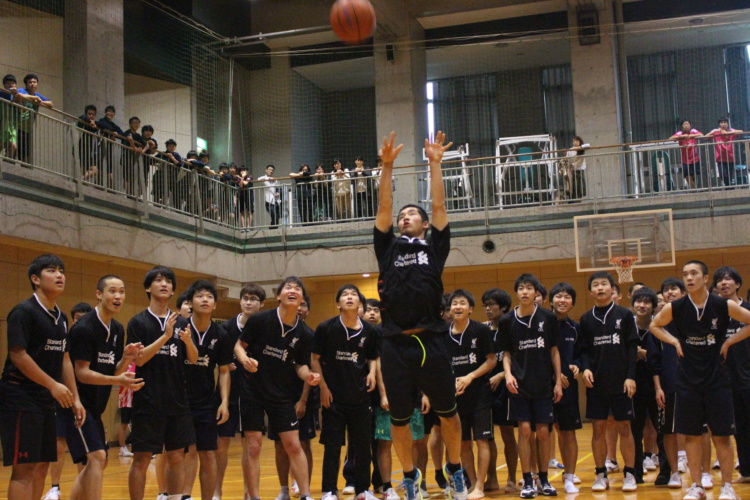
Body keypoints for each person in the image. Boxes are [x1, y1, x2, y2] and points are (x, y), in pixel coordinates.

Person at [374, 130, 468, 500]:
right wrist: (387, 168)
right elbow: (383, 209)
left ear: (424, 224)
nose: (404, 217)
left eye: (412, 214)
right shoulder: (387, 247)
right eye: (403, 215)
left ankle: (456, 470)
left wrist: (434, 164)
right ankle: (410, 478)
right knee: (399, 419)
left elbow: (441, 209)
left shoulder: (434, 247)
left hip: (431, 339)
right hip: (395, 343)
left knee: (448, 414)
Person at [650, 260, 750, 500]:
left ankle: (727, 487)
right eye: (685, 274)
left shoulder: (721, 305)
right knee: (693, 436)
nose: (689, 278)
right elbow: (655, 325)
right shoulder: (676, 307)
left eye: (694, 273)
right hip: (687, 379)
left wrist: (728, 342)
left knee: (722, 436)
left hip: (717, 379)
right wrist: (673, 342)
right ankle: (696, 486)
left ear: (706, 278)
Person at [0, 254, 85, 500]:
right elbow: (18, 354)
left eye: (62, 270)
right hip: (20, 397)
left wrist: (75, 398)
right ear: (35, 279)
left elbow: (65, 358)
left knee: (42, 466)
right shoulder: (24, 312)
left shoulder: (61, 318)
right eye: (52, 270)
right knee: (24, 468)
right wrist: (53, 385)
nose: (60, 275)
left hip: (46, 399)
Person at [234, 277, 321, 500]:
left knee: (293, 443)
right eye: (288, 288)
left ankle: (305, 495)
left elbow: (300, 365)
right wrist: (244, 360)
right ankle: (253, 496)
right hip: (252, 390)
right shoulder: (260, 320)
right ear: (279, 295)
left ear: (302, 299)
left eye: (297, 289)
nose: (293, 291)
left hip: (281, 393)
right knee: (253, 446)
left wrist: (309, 376)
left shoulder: (305, 334)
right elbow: (239, 346)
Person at [64, 275, 145, 500]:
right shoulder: (84, 328)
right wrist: (118, 381)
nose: (118, 296)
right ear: (99, 294)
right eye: (112, 291)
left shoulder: (117, 329)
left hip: (95, 408)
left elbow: (113, 370)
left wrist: (126, 359)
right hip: (75, 405)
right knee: (97, 457)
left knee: (99, 462)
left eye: (121, 291)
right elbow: (81, 373)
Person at [127, 266, 198, 500]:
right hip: (148, 401)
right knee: (142, 458)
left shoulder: (181, 323)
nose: (164, 284)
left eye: (168, 281)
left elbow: (193, 359)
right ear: (148, 287)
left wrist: (187, 342)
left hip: (177, 401)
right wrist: (165, 337)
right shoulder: (138, 322)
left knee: (177, 456)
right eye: (158, 280)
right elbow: (139, 359)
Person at [312, 284, 379, 500]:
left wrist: (372, 373)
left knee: (362, 447)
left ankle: (363, 489)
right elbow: (314, 358)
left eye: (353, 295)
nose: (349, 297)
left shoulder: (369, 331)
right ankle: (329, 490)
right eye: (344, 295)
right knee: (332, 447)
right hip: (333, 398)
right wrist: (322, 387)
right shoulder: (326, 327)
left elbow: (374, 357)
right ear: (338, 303)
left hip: (360, 398)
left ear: (360, 303)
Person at [499, 274, 562, 499]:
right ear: (516, 292)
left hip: (543, 383)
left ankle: (543, 479)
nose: (525, 292)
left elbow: (554, 351)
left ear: (537, 292)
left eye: (529, 288)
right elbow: (506, 353)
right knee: (525, 431)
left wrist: (558, 382)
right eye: (521, 288)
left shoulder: (547, 317)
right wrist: (507, 375)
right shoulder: (507, 320)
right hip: (519, 384)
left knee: (544, 432)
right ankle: (527, 480)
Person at [579, 271, 639, 492]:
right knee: (598, 428)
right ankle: (600, 474)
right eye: (596, 285)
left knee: (625, 426)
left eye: (604, 284)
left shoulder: (624, 315)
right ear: (591, 290)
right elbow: (583, 350)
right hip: (597, 383)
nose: (600, 288)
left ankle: (630, 474)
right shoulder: (586, 319)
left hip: (622, 381)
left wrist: (631, 376)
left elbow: (632, 347)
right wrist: (585, 368)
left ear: (612, 288)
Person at [179, 280, 233, 500]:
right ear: (190, 302)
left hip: (206, 402)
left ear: (215, 305)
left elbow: (224, 371)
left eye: (209, 297)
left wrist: (224, 402)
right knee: (187, 452)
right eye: (200, 296)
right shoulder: (179, 329)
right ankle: (184, 495)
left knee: (208, 453)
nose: (204, 299)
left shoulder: (221, 334)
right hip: (180, 400)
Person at [214, 284, 266, 500]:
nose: (248, 302)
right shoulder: (225, 328)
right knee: (221, 445)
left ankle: (250, 492)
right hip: (228, 393)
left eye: (253, 299)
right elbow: (217, 360)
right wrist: (226, 365)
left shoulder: (266, 327)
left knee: (252, 446)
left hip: (254, 393)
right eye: (245, 298)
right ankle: (216, 491)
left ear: (261, 304)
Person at [445, 289, 496, 499]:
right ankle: (473, 483)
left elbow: (492, 360)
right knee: (463, 443)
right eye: (454, 303)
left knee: (482, 441)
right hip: (455, 397)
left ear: (471, 308)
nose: (457, 307)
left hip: (480, 394)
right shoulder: (443, 334)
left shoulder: (480, 331)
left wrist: (470, 377)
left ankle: (481, 487)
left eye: (462, 303)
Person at [42, 302, 93, 500]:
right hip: (62, 396)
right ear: (72, 319)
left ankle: (84, 483)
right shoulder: (64, 337)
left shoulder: (91, 339)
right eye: (77, 318)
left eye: (84, 318)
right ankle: (55, 487)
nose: (80, 322)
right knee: (59, 442)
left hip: (84, 399)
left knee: (85, 447)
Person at [711, 267, 750, 482]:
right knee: (739, 429)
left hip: (748, 377)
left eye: (728, 279)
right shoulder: (715, 315)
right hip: (725, 381)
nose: (723, 283)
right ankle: (746, 471)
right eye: (719, 281)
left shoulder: (748, 311)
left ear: (737, 283)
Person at [482, 288, 518, 494]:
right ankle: (492, 478)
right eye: (485, 305)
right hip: (486, 390)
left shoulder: (512, 329)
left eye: (491, 304)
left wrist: (501, 375)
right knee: (487, 437)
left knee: (507, 434)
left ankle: (512, 478)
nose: (487, 308)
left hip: (506, 388)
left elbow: (519, 358)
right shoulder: (483, 331)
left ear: (503, 307)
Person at [549, 282, 583, 494]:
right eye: (558, 296)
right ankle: (540, 477)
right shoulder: (541, 324)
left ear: (572, 303)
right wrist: (555, 373)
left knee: (568, 433)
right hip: (544, 386)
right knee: (542, 433)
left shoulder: (575, 328)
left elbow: (582, 353)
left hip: (568, 387)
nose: (562, 300)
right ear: (551, 300)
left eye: (567, 297)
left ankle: (569, 476)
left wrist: (578, 365)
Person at [629, 287, 660, 485]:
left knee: (662, 430)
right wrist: (633, 353)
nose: (642, 305)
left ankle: (666, 471)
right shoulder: (627, 327)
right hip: (633, 387)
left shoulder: (660, 326)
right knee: (635, 431)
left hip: (658, 386)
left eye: (647, 302)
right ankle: (635, 472)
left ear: (653, 306)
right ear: (632, 306)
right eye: (638, 301)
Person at [16, 74, 53, 164]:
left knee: (25, 153)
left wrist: (40, 101)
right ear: (26, 84)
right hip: (17, 125)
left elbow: (51, 104)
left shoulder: (37, 95)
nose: (32, 84)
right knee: (15, 148)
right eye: (30, 82)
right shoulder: (23, 90)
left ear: (37, 84)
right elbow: (19, 95)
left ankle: (24, 172)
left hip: (28, 129)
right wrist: (35, 98)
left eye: (34, 82)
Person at [706, 118, 745, 187]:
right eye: (721, 123)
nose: (723, 124)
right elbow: (705, 137)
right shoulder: (716, 131)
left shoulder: (731, 130)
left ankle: (728, 187)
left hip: (730, 157)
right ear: (719, 124)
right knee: (723, 175)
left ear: (727, 124)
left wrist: (727, 133)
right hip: (720, 158)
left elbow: (741, 132)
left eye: (725, 122)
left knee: (729, 175)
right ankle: (729, 186)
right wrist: (716, 131)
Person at [96, 105, 126, 189]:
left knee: (108, 163)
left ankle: (109, 186)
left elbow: (122, 133)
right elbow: (103, 125)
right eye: (108, 111)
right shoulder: (102, 120)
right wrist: (113, 133)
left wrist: (116, 134)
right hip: (102, 144)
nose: (110, 113)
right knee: (101, 163)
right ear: (105, 112)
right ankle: (100, 184)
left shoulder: (113, 124)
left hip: (109, 146)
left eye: (112, 112)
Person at [670, 120, 703, 190]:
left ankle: (694, 188)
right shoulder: (680, 133)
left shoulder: (693, 131)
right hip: (685, 160)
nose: (686, 126)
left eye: (687, 124)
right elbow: (671, 138)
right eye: (684, 124)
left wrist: (690, 136)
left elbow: (701, 135)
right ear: (682, 127)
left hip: (695, 159)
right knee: (687, 175)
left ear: (690, 126)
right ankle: (694, 189)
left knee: (695, 175)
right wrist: (682, 137)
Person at [558, 136, 589, 200]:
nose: (574, 142)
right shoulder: (570, 150)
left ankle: (579, 197)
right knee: (572, 185)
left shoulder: (581, 148)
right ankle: (573, 197)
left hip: (579, 169)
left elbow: (588, 145)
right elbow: (567, 159)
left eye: (576, 141)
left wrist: (580, 147)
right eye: (573, 141)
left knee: (579, 185)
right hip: (572, 170)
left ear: (579, 141)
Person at [121, 117, 144, 196]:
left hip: (134, 159)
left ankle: (133, 194)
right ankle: (128, 194)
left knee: (133, 177)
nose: (136, 124)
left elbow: (145, 144)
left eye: (137, 123)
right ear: (130, 124)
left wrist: (141, 149)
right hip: (126, 157)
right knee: (127, 177)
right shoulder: (127, 132)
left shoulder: (138, 135)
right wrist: (135, 148)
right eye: (134, 123)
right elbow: (130, 139)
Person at [76, 105, 100, 182]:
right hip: (81, 148)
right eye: (89, 114)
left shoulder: (95, 124)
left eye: (93, 114)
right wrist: (90, 122)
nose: (91, 116)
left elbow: (103, 126)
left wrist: (94, 124)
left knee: (93, 170)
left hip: (89, 150)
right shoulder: (83, 120)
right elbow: (82, 117)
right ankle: (81, 181)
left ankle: (81, 180)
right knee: (86, 169)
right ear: (86, 114)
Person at [259, 164, 282, 229]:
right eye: (269, 169)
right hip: (268, 201)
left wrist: (278, 193)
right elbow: (259, 179)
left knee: (276, 217)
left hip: (276, 201)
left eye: (272, 170)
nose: (271, 171)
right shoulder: (263, 178)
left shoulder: (275, 180)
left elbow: (279, 188)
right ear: (266, 170)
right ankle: (272, 230)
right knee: (274, 215)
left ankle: (273, 230)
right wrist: (269, 178)